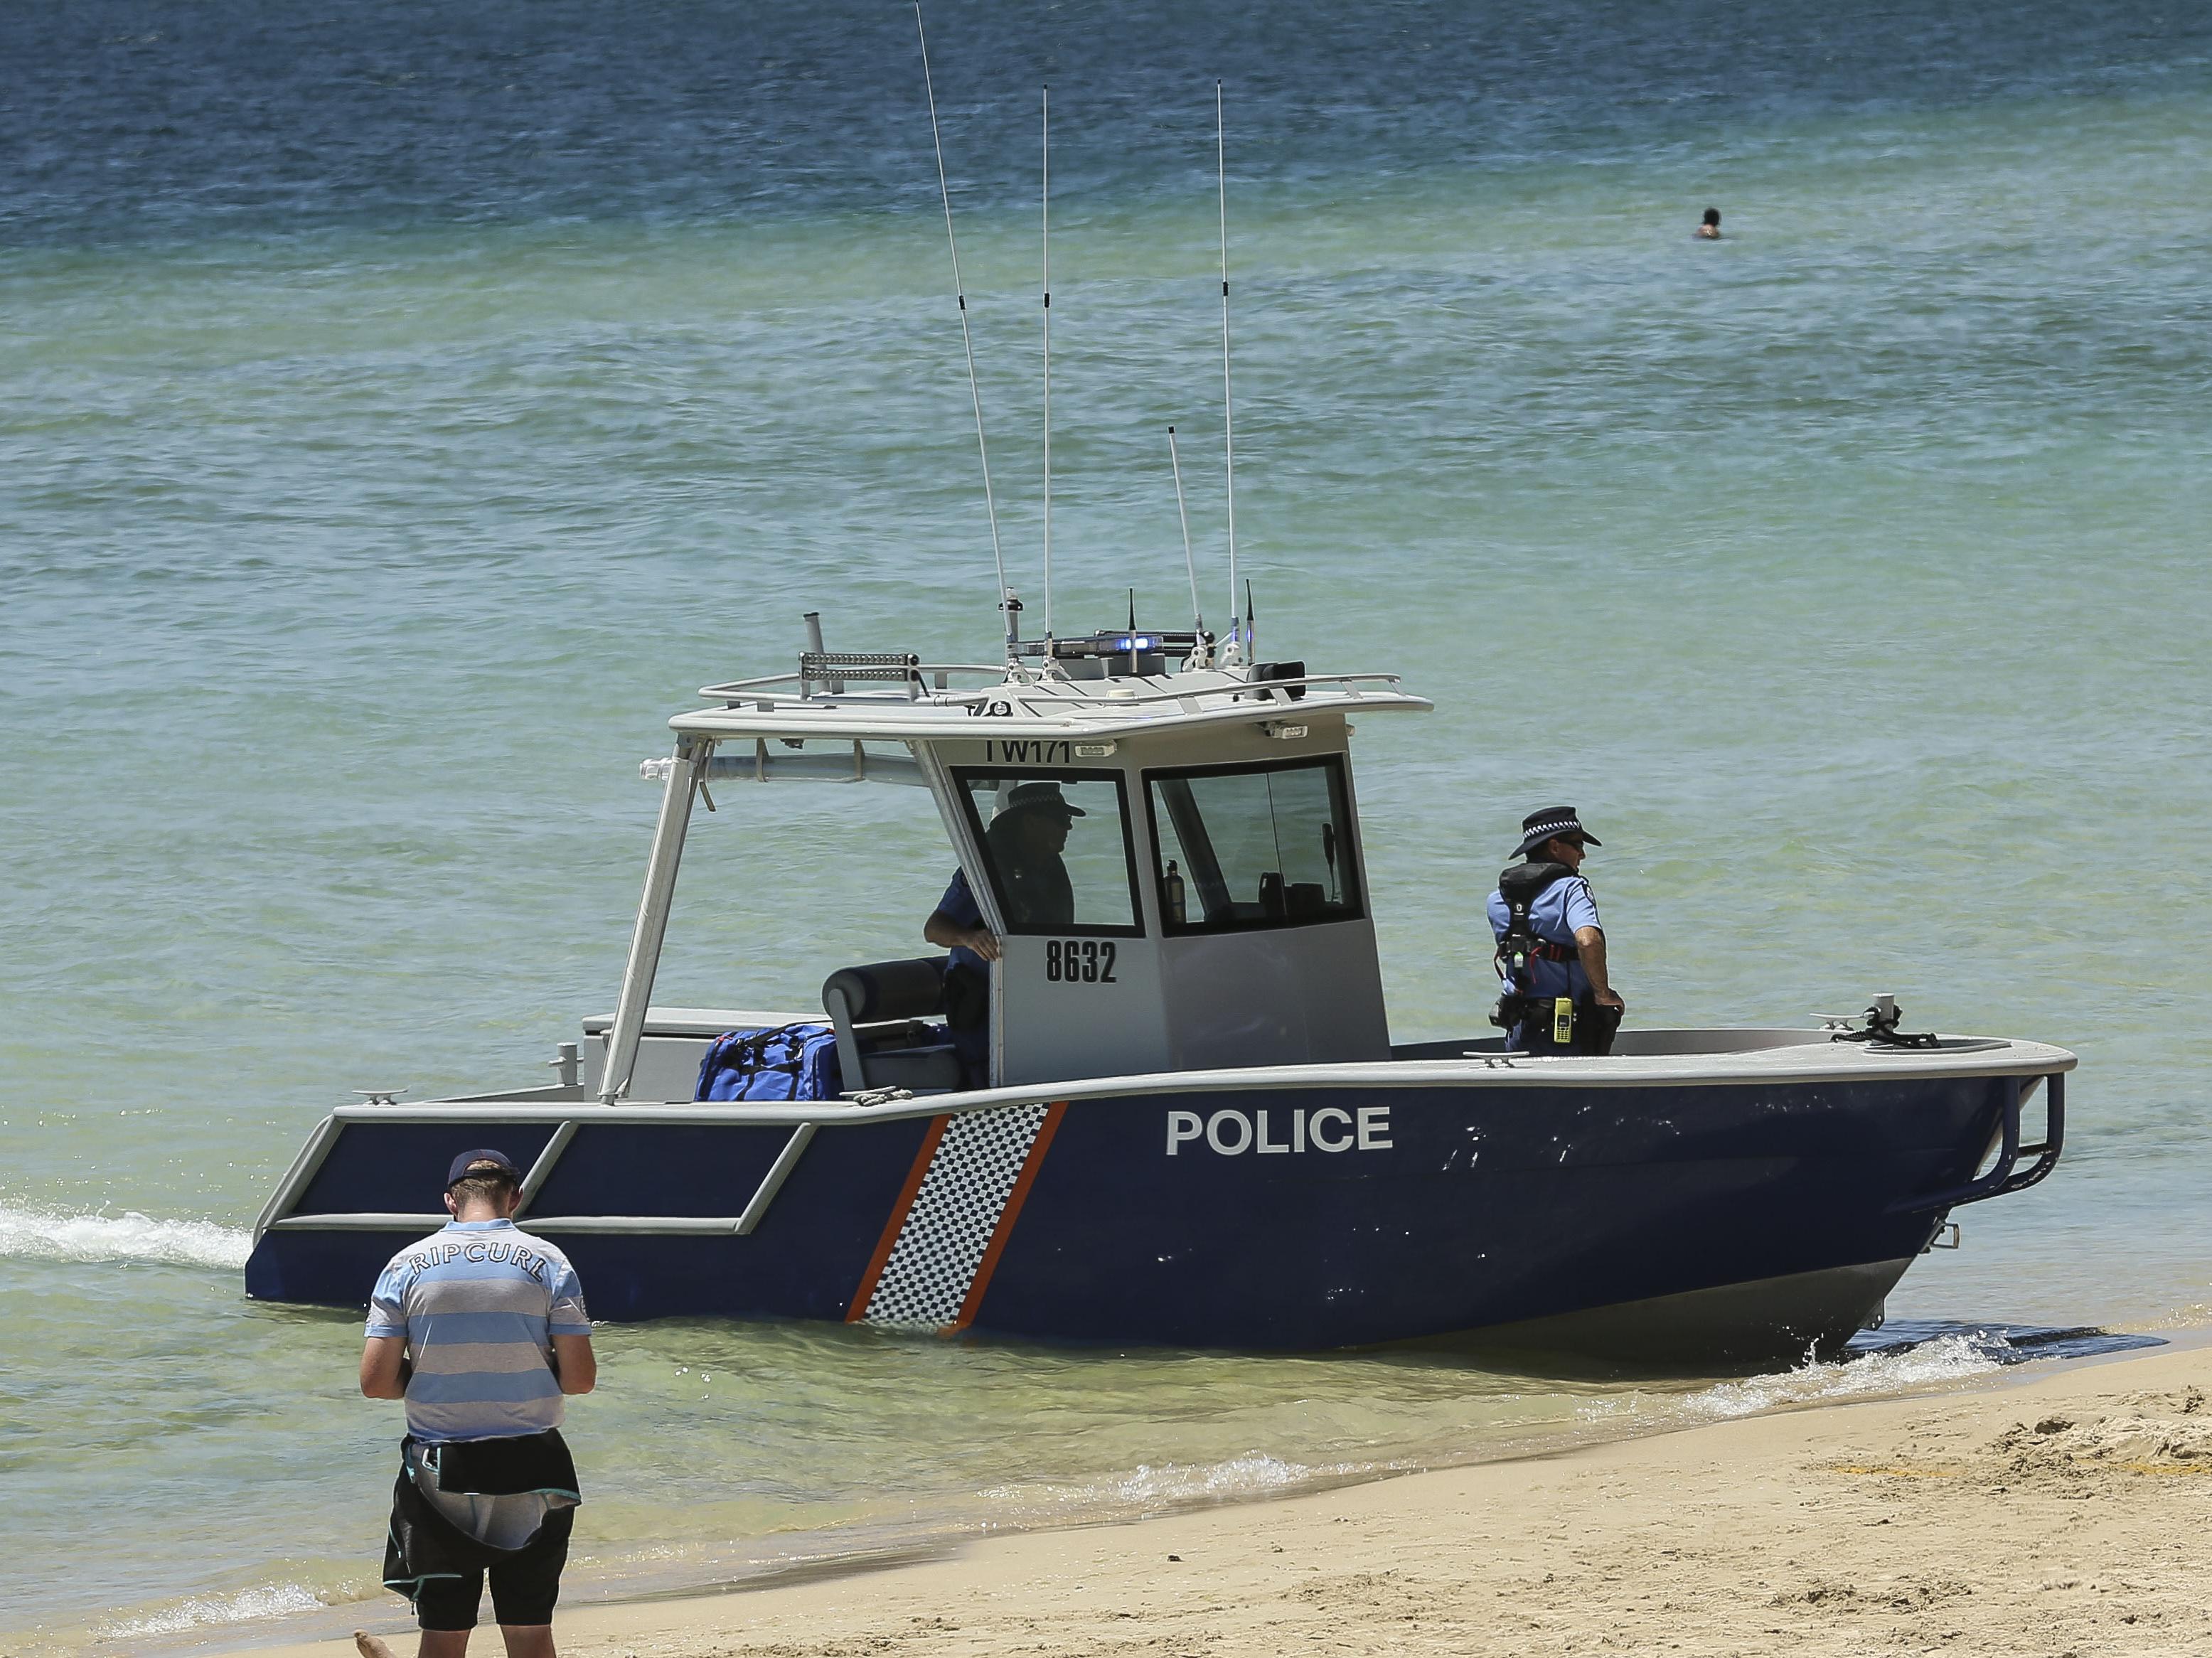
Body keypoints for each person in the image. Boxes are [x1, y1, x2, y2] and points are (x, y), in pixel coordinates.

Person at [356, 1150, 595, 1658]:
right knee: (530, 1627)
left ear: (450, 1201)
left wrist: (425, 1376)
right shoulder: (549, 1261)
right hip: (535, 1467)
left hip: (443, 1470)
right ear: (515, 1197)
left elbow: (375, 1383)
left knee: (444, 1633)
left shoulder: (405, 1265)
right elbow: (579, 1380)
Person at [923, 782, 1083, 1086]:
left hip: (1032, 996)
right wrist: (970, 938)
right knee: (989, 1075)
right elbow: (934, 928)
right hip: (981, 1000)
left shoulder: (1049, 867)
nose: (1069, 827)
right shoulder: (985, 869)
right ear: (1031, 822)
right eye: (1060, 819)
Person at [1487, 806, 1625, 1055]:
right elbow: (1587, 941)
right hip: (1571, 1029)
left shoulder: (1497, 899)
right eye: (1577, 845)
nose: (1582, 855)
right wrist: (1603, 994)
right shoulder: (1572, 889)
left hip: (1520, 1027)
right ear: (1554, 847)